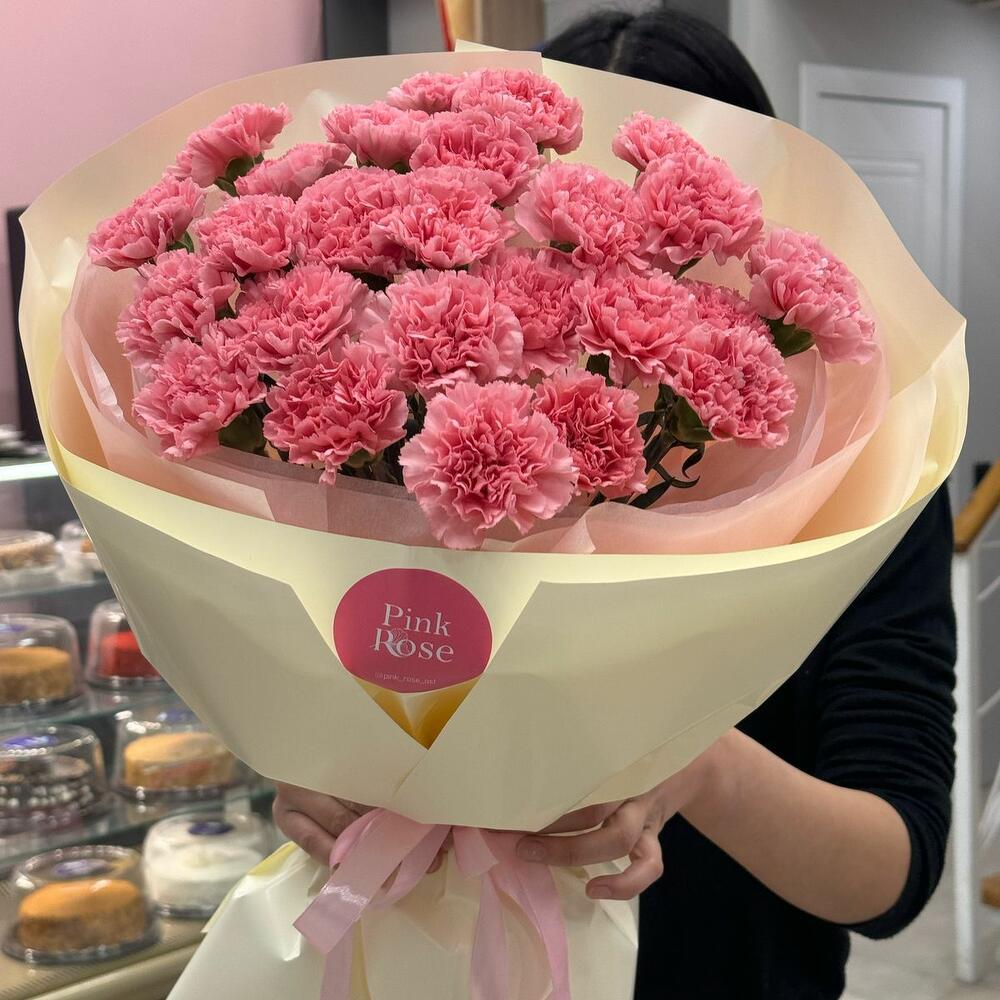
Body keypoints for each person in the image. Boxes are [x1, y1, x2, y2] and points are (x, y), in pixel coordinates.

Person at [273, 9, 957, 999]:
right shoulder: (403, 438)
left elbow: (892, 869)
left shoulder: (860, 472)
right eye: (576, 209)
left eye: (672, 219)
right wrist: (314, 760)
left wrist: (695, 762)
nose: (620, 250)